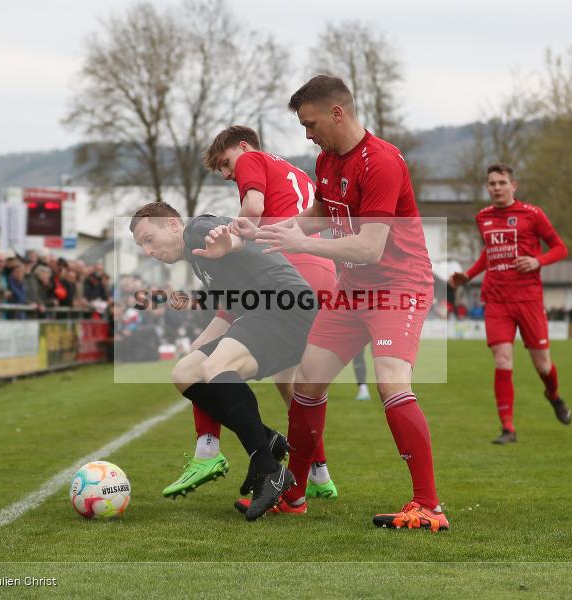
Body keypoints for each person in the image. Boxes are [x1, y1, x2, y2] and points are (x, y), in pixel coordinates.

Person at [251, 75, 447, 530]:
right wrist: (269, 232)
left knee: (391, 381)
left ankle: (429, 506)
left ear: (337, 113)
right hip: (351, 290)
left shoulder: (381, 162)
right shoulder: (326, 160)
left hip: (399, 286)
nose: (307, 133)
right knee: (308, 382)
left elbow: (369, 247)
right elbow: (318, 215)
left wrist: (303, 246)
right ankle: (294, 495)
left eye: (310, 122)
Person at [159, 125, 340, 501]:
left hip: (283, 270)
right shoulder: (297, 173)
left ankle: (209, 451)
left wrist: (233, 237)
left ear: (243, 147)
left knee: (204, 355)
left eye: (226, 164)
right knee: (295, 389)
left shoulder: (253, 159)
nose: (228, 174)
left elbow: (253, 212)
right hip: (320, 272)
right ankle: (317, 474)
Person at [131, 202, 315, 521]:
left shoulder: (197, 230)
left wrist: (227, 241)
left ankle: (270, 469)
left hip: (286, 309)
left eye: (149, 238)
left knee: (217, 368)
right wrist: (200, 345)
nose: (148, 250)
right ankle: (267, 439)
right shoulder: (198, 260)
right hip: (264, 313)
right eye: (141, 246)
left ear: (173, 224)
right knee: (186, 372)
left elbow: (233, 238)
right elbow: (230, 309)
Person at [449, 163, 572, 444]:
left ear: (513, 186)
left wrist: (537, 261)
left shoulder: (532, 215)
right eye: (492, 184)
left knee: (543, 366)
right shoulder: (483, 217)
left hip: (528, 299)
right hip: (497, 300)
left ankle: (553, 395)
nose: (496, 188)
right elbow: (488, 254)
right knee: (503, 360)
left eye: (502, 183)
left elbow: (560, 248)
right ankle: (508, 428)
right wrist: (468, 275)